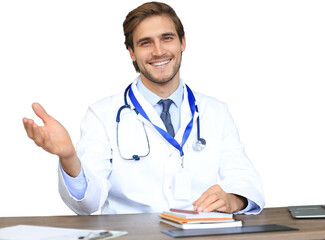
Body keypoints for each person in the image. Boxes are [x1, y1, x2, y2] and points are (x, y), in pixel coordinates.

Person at [23, 1, 264, 215]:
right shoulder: (102, 115)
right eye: (145, 43)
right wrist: (69, 158)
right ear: (131, 53)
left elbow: (243, 179)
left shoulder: (216, 112)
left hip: (199, 233)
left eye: (167, 38)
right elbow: (88, 204)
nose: (159, 51)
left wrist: (234, 200)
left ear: (182, 43)